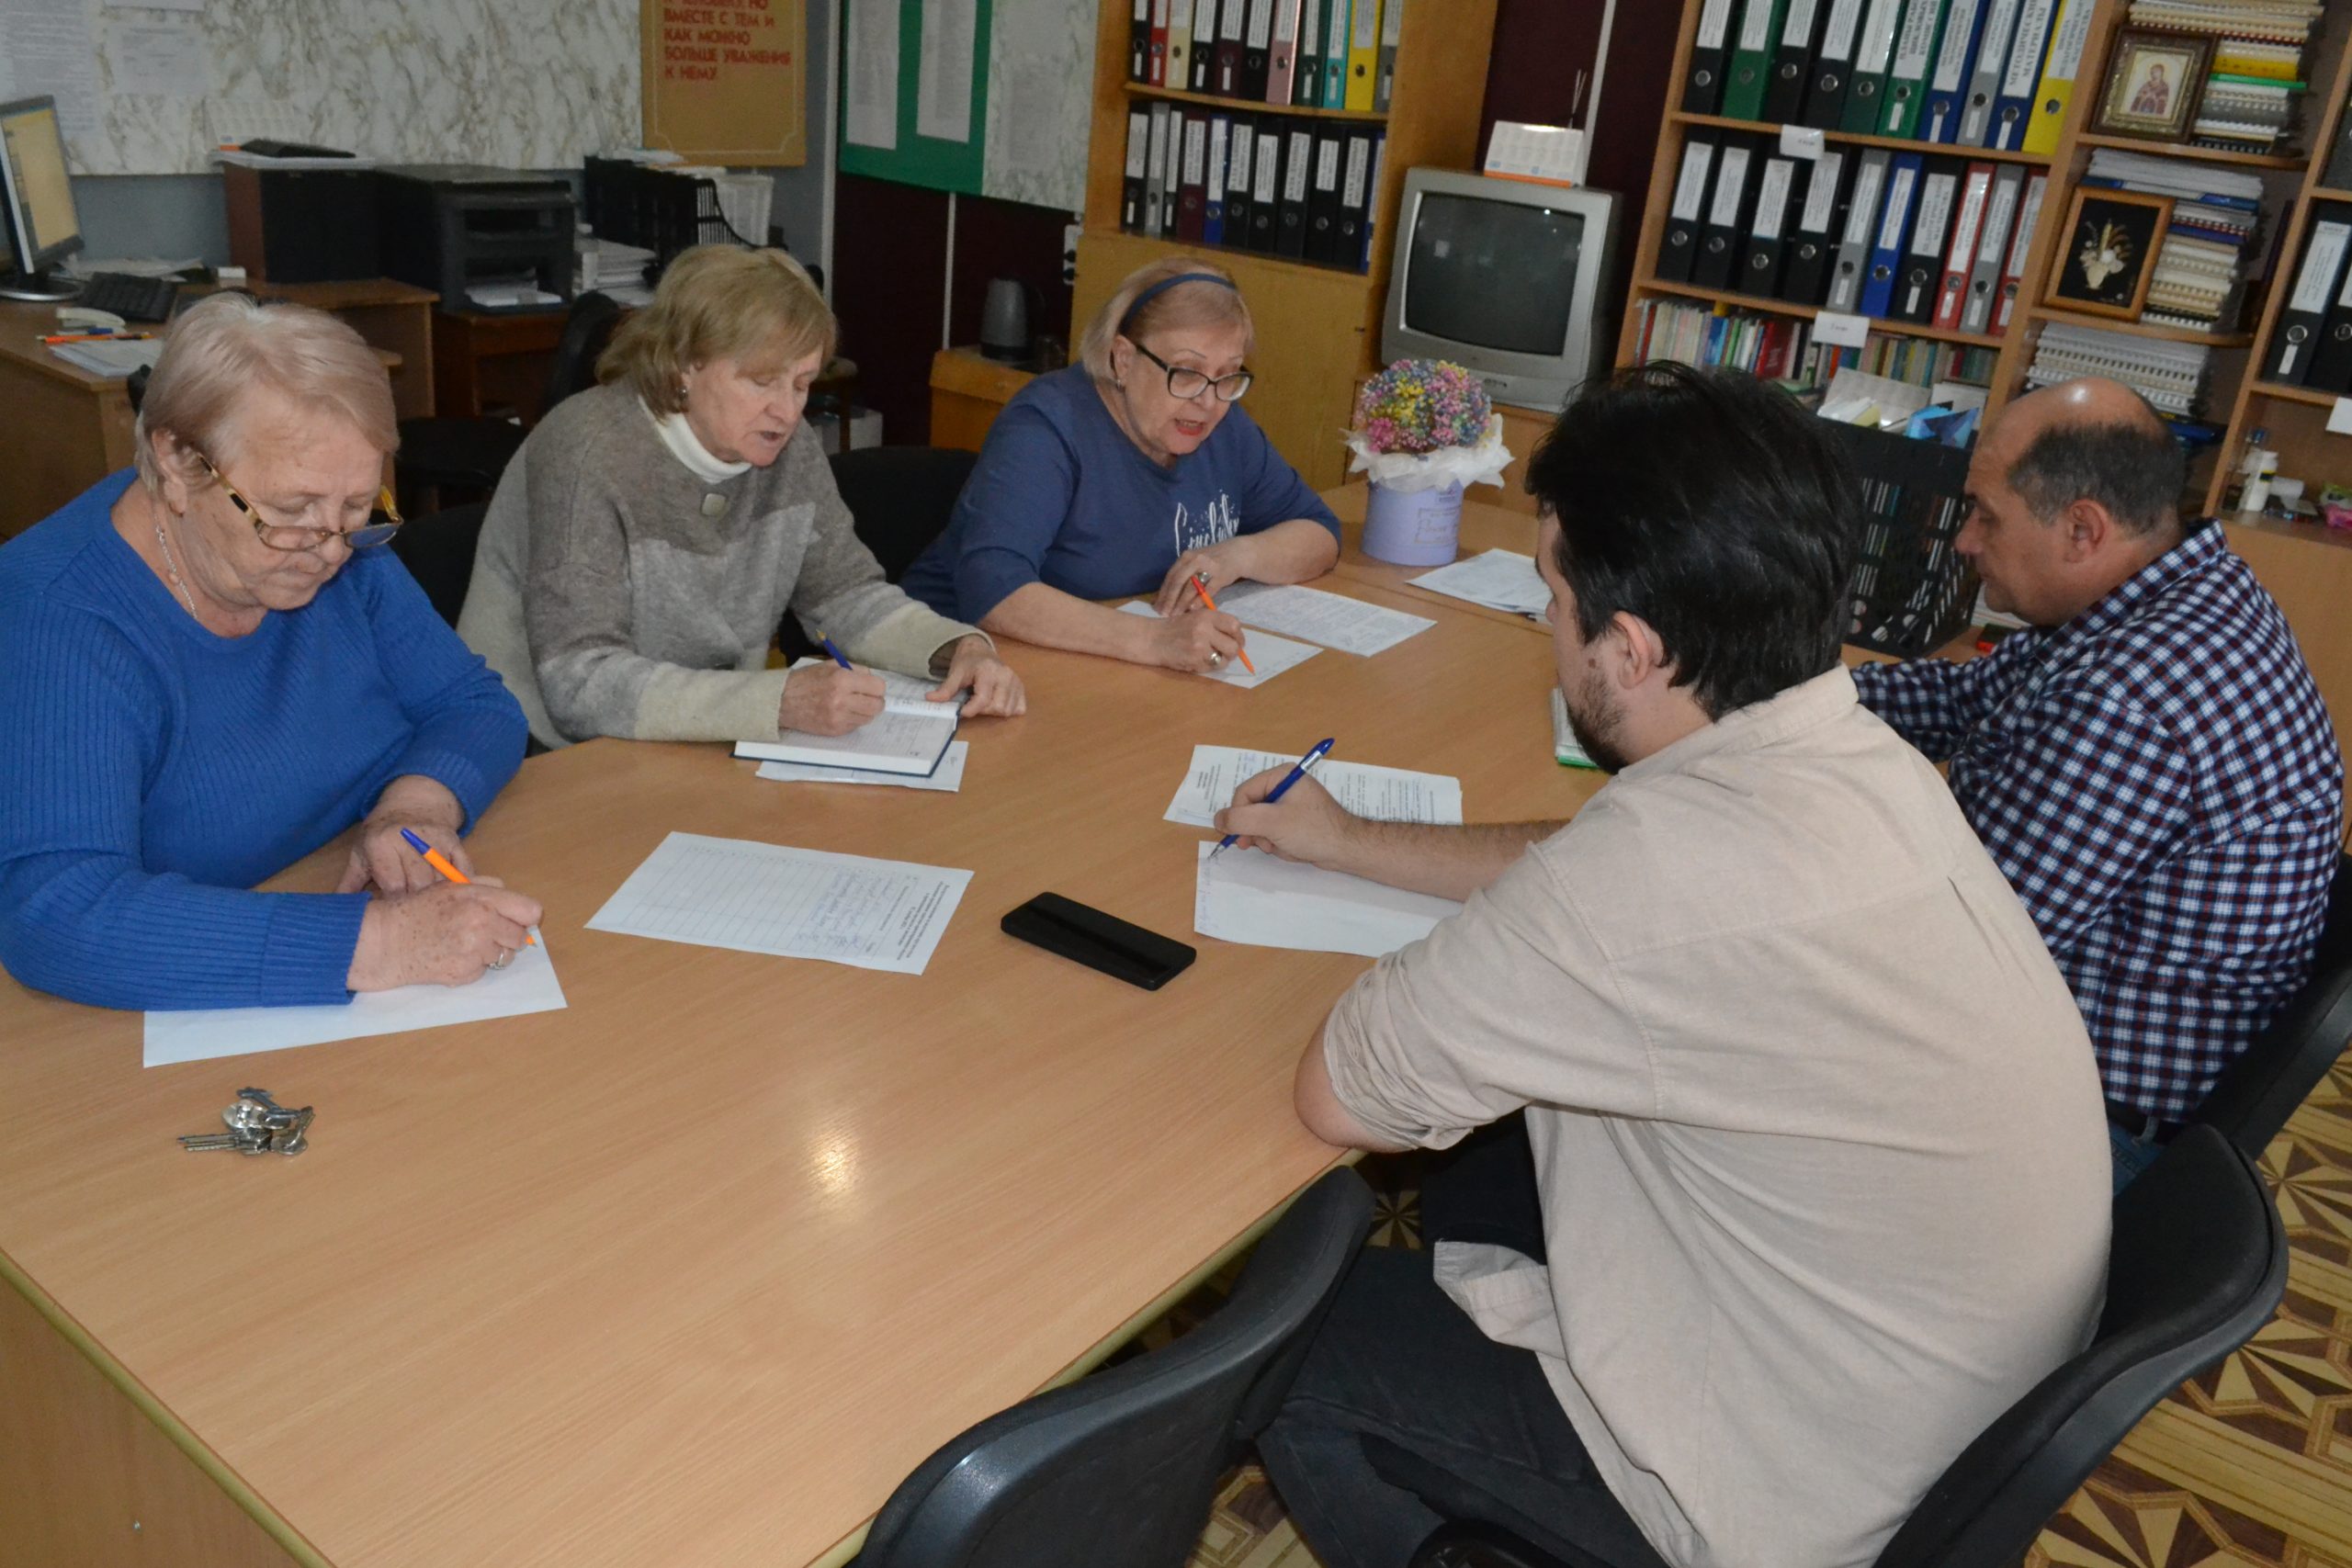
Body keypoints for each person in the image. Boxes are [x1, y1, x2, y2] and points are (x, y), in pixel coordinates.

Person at [1220, 365, 2110, 1568]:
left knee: (1279, 1347)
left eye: (1554, 600)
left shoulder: (1655, 868)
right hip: (1925, 1414)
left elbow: (1343, 1089)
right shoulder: (1855, 755)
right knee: (1488, 1163)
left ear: (1632, 649)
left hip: (1783, 1499)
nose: (1551, 632)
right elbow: (1604, 879)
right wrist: (1351, 843)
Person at [1851, 378, 2342, 1188]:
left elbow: (1956, 948)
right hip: (2055, 1042)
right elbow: (1960, 696)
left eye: (1986, 516)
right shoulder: (2158, 597)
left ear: (2083, 529)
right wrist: (1770, 693)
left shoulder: (2137, 693)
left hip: (2092, 1123)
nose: (1964, 541)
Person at [0, 294, 540, 1010]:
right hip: (160, 1004)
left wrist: (413, 806)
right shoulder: (60, 617)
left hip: (313, 902)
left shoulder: (337, 551)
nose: (332, 548)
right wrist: (374, 943)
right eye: (290, 510)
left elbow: (474, 705)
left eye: (357, 507)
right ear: (178, 461)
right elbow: (59, 911)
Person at [459, 245, 1023, 750]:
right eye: (762, 381)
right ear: (685, 364)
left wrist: (957, 648)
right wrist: (774, 702)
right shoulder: (587, 452)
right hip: (537, 747)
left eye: (802, 384)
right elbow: (579, 683)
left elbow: (843, 593)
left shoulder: (788, 449)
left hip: (703, 731)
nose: (788, 411)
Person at [899, 256, 1341, 674]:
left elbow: (1319, 531)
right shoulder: (1047, 426)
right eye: (1186, 372)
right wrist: (1155, 641)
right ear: (1123, 359)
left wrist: (1238, 555)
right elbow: (993, 590)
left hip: (1114, 673)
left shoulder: (1225, 427)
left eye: (1228, 375)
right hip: (965, 667)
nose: (1208, 401)